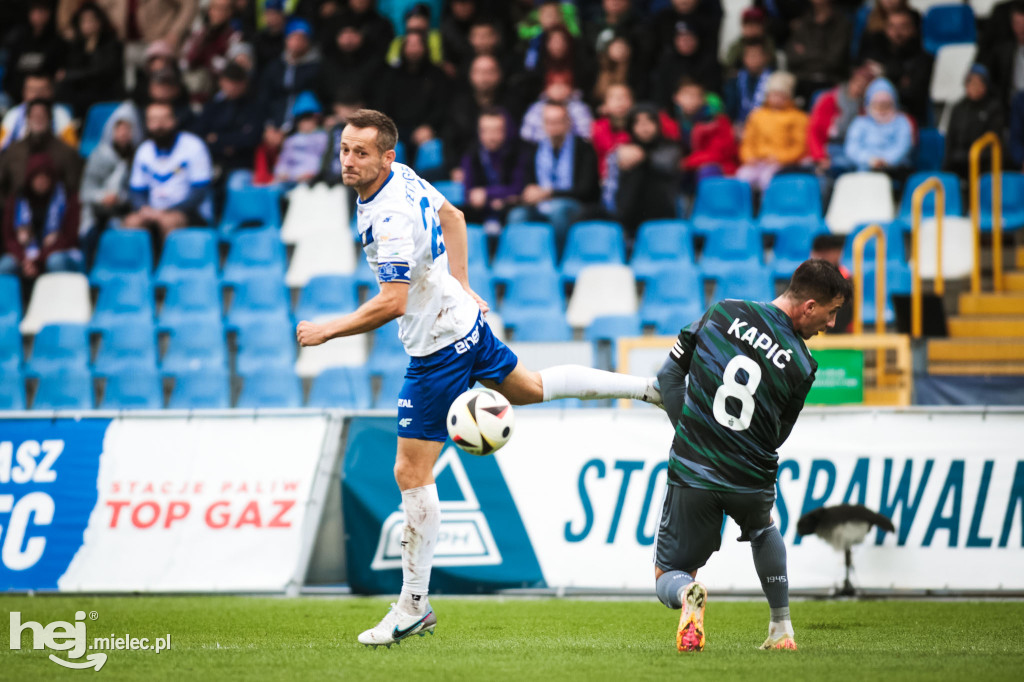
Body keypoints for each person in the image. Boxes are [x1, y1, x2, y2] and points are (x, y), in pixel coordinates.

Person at [294, 108, 662, 648]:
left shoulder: (390, 213)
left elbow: (393, 302)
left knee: (409, 473)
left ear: (385, 157)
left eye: (360, 152)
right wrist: (460, 283)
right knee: (532, 388)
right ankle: (650, 389)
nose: (348, 160)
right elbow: (457, 216)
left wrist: (329, 331)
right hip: (463, 321)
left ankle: (412, 607)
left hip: (437, 349)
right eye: (345, 149)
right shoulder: (402, 177)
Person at [652, 258, 852, 653]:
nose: (829, 326)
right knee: (763, 529)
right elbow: (777, 435)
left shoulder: (723, 310)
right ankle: (781, 628)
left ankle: (687, 591)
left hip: (695, 469)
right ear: (809, 306)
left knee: (667, 574)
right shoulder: (803, 365)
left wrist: (692, 433)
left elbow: (668, 377)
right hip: (751, 478)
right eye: (830, 314)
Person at [508, 100, 600, 251]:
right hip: (541, 206)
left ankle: (559, 259)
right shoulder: (535, 149)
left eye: (558, 122)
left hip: (576, 207)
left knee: (558, 209)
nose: (553, 127)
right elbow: (528, 183)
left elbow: (586, 190)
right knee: (517, 215)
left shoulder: (584, 148)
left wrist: (550, 193)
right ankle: (522, 259)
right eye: (549, 122)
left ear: (568, 122)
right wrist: (529, 192)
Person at [124, 102, 214, 238]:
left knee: (169, 221)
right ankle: (138, 260)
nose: (159, 125)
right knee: (131, 222)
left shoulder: (193, 145)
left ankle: (169, 260)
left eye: (164, 119)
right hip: (153, 211)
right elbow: (137, 192)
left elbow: (199, 193)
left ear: (174, 120)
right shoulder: (143, 150)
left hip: (190, 212)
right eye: (154, 120)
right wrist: (144, 209)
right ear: (147, 123)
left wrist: (165, 212)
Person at [1, 153, 84, 279]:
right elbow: (9, 238)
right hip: (24, 255)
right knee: (5, 266)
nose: (41, 181)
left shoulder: (67, 198)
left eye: (45, 176)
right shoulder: (17, 199)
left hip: (57, 253)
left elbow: (70, 237)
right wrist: (25, 259)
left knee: (55, 261)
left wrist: (39, 259)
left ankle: (60, 297)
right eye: (37, 176)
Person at [603, 103, 681, 236]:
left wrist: (644, 158)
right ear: (631, 127)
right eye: (638, 123)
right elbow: (611, 185)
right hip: (629, 213)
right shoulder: (623, 150)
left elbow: (667, 165)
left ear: (657, 124)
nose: (644, 127)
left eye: (649, 121)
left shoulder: (670, 147)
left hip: (663, 210)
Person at [79, 108, 138, 259]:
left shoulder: (139, 156)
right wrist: (103, 197)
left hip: (128, 210)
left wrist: (122, 198)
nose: (124, 134)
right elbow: (85, 191)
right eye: (120, 129)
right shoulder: (99, 156)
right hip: (98, 212)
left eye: (128, 129)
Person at [736, 72, 809, 193]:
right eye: (773, 95)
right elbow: (748, 142)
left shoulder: (799, 118)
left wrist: (780, 158)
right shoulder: (757, 115)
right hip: (757, 161)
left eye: (781, 95)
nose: (776, 99)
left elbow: (800, 146)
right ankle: (746, 209)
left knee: (767, 179)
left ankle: (768, 209)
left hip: (782, 163)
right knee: (742, 176)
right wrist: (749, 157)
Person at [862, 8, 932, 126]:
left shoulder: (923, 59)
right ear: (885, 29)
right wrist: (899, 81)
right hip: (871, 122)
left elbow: (913, 95)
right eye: (892, 27)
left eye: (903, 27)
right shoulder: (876, 54)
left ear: (914, 29)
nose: (897, 33)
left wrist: (884, 74)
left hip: (908, 120)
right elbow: (863, 90)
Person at [55, 1, 125, 118]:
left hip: (103, 90)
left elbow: (103, 71)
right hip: (79, 91)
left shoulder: (110, 44)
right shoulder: (77, 45)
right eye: (83, 21)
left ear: (100, 22)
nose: (87, 25)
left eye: (91, 20)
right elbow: (70, 68)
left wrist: (71, 75)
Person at [194, 61, 265, 176]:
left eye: (237, 83)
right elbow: (199, 134)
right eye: (229, 82)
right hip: (211, 162)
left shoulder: (253, 107)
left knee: (236, 184)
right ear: (221, 82)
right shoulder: (213, 106)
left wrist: (217, 139)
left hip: (241, 165)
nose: (232, 87)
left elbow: (251, 138)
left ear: (245, 84)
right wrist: (226, 144)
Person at [461, 108, 527, 229]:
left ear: (506, 131)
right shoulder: (472, 155)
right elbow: (469, 193)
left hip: (509, 209)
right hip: (482, 211)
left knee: (518, 215)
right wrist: (490, 201)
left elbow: (518, 188)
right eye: (486, 131)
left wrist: (488, 194)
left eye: (496, 131)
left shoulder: (517, 153)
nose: (491, 136)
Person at [807, 65, 875, 173]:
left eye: (864, 86)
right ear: (851, 81)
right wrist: (820, 156)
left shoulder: (868, 108)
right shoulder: (829, 99)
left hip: (854, 151)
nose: (858, 89)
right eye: (857, 83)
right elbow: (814, 132)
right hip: (830, 148)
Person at [784, 0, 851, 105]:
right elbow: (792, 57)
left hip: (830, 80)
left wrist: (806, 53)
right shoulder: (803, 21)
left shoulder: (841, 22)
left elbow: (835, 60)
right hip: (802, 80)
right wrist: (820, 54)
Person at [843, 77, 913, 176]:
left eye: (885, 104)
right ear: (868, 104)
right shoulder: (860, 122)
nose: (881, 109)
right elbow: (851, 148)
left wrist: (886, 160)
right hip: (864, 172)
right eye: (877, 104)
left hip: (894, 172)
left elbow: (903, 146)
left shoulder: (902, 122)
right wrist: (870, 160)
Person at [944, 65, 1004, 179]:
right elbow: (950, 139)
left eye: (979, 83)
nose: (974, 87)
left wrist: (971, 156)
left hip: (983, 164)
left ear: (986, 85)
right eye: (971, 82)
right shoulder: (958, 107)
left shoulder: (993, 108)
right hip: (958, 163)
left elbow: (994, 141)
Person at [0, 72, 78, 152]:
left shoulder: (61, 114)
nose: (37, 95)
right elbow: (2, 147)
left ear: (51, 91)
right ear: (24, 92)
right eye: (33, 90)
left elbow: (71, 148)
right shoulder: (13, 115)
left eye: (42, 90)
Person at [274, 91, 328, 185]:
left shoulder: (324, 137)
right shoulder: (290, 141)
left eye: (309, 118)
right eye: (302, 118)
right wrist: (282, 173)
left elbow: (325, 161)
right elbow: (283, 162)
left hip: (314, 181)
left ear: (317, 118)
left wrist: (315, 173)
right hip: (291, 179)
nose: (306, 122)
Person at [724, 39, 773, 127]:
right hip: (739, 125)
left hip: (765, 127)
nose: (752, 59)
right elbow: (731, 106)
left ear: (766, 57)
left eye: (756, 55)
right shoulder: (736, 79)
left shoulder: (774, 80)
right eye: (749, 56)